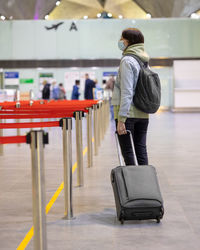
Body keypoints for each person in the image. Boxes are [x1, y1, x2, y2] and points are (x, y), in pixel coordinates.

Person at [111, 28, 150, 165]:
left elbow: (127, 91)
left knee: (127, 152)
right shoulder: (143, 60)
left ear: (129, 41)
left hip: (128, 114)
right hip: (143, 114)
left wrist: (121, 119)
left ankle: (132, 185)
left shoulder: (127, 61)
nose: (120, 41)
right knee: (141, 151)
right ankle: (145, 183)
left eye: (122, 38)